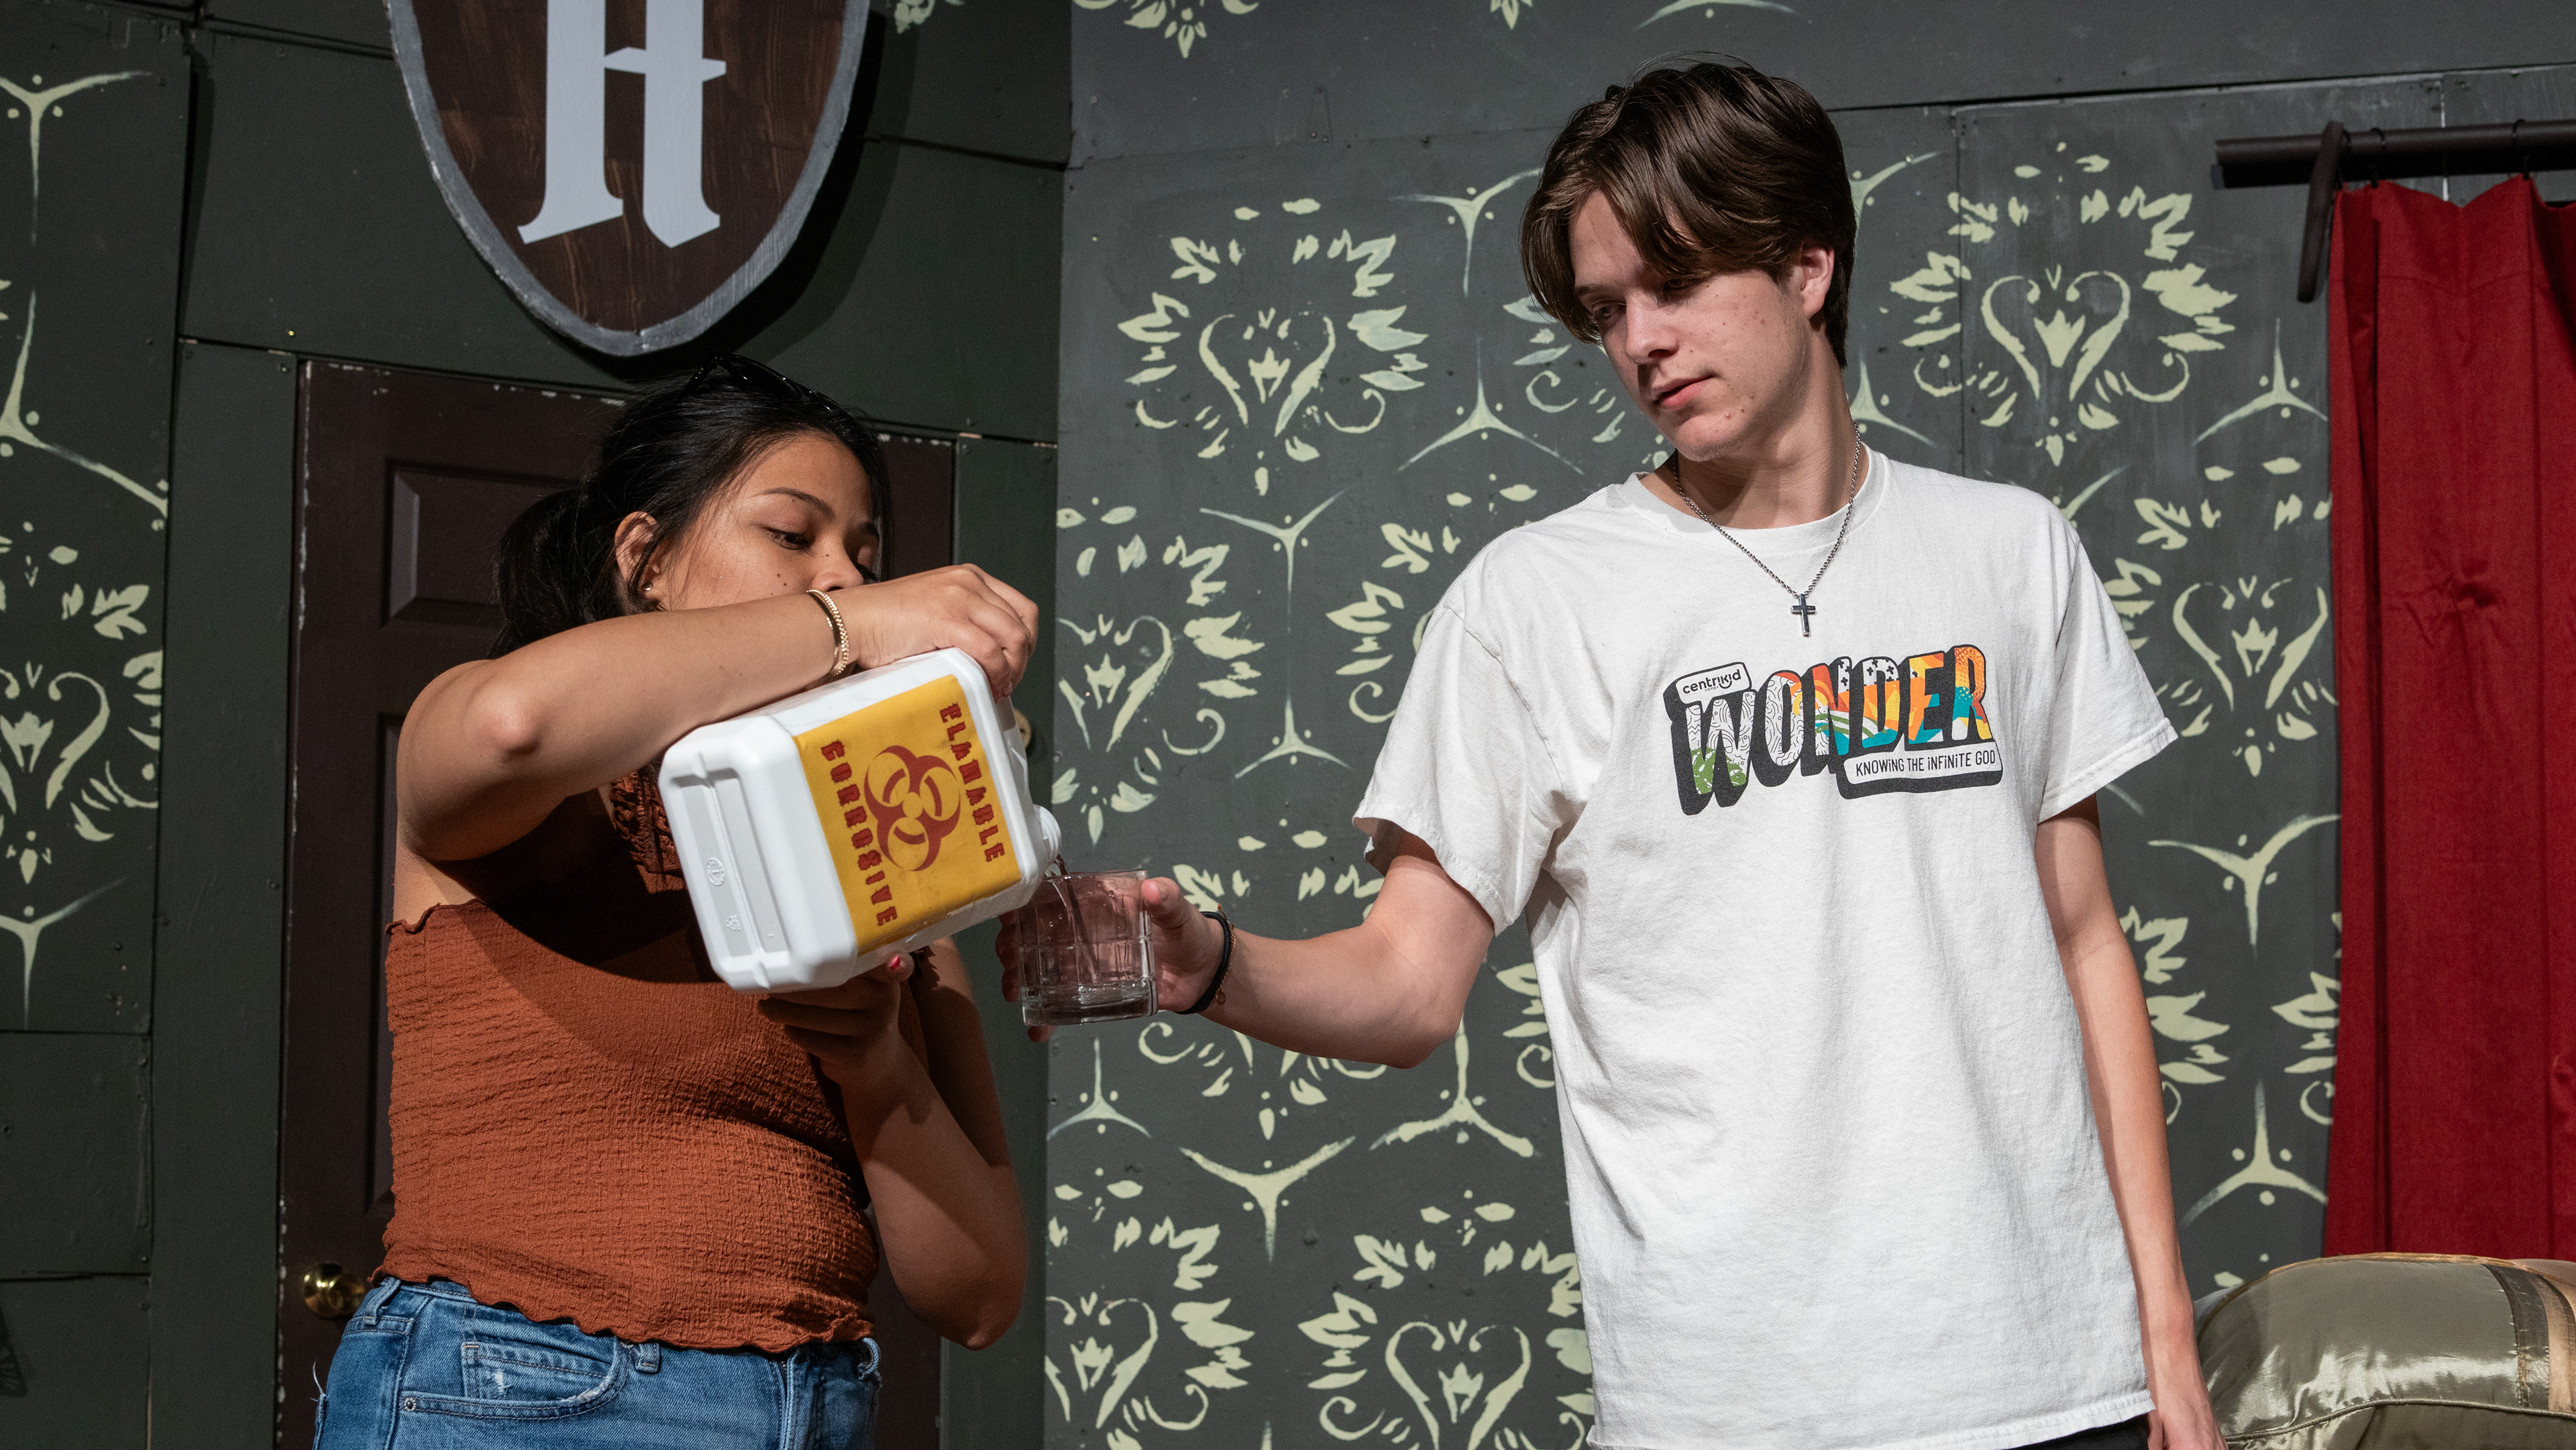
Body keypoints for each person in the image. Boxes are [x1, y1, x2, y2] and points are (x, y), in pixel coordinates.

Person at [1007, 64, 2222, 1450]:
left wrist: (2165, 1339)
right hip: (1730, 1408)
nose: (1642, 340)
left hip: (2052, 1383)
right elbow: (1407, 983)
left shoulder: (2012, 552)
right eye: (1606, 310)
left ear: (1808, 265)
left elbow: (2085, 944)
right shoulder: (1533, 603)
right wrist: (1211, 964)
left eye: (1678, 282)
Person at [315, 356, 1040, 1450]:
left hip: (812, 1409)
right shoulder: (535, 794)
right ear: (645, 560)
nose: (843, 574)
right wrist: (858, 623)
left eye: (865, 555)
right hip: (523, 1393)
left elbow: (979, 1297)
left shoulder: (883, 865)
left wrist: (877, 1066)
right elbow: (512, 724)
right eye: (792, 534)